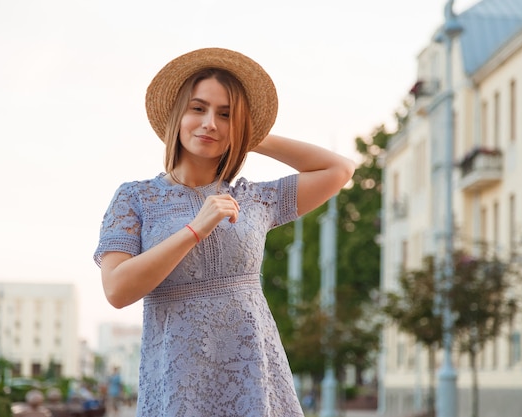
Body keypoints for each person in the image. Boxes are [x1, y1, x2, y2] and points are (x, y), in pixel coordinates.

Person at [94, 47, 356, 416]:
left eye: (225, 114)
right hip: (178, 385)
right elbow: (117, 289)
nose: (209, 123)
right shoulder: (135, 198)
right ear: (177, 116)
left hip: (255, 383)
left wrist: (252, 133)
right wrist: (194, 230)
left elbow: (340, 169)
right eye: (198, 108)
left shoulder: (255, 199)